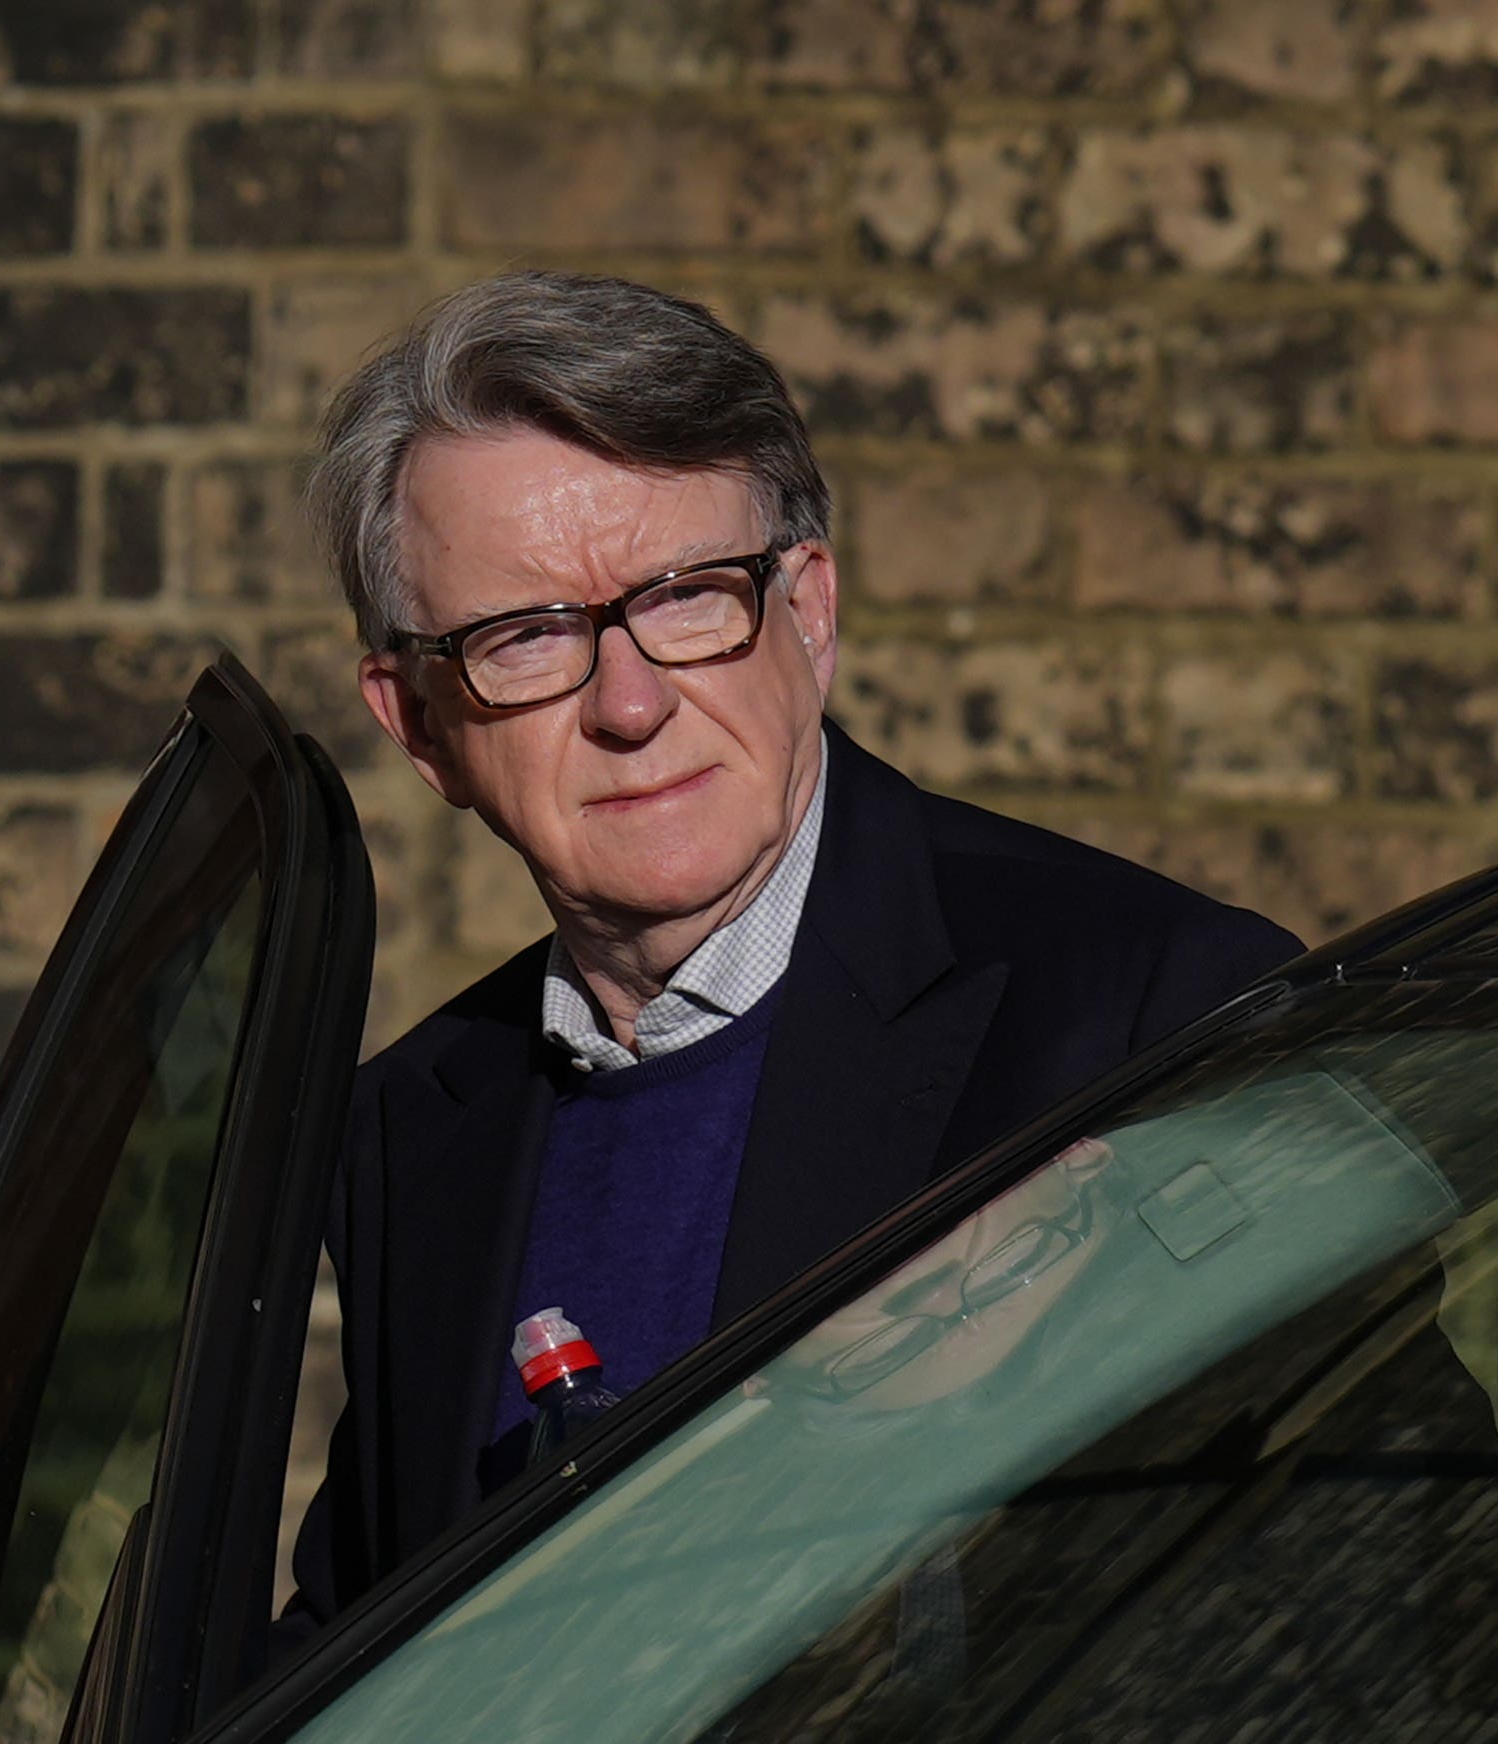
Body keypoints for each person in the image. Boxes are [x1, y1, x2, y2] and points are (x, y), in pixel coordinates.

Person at [281, 270, 1296, 1626]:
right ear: (419, 726)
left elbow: (1413, 1619)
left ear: (808, 614)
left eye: (688, 597)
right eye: (525, 637)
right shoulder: (413, 1131)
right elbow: (351, 1669)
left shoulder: (1147, 1015)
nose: (630, 704)